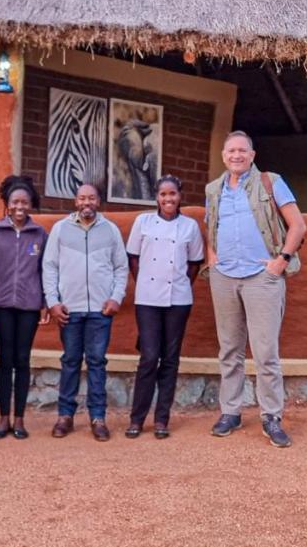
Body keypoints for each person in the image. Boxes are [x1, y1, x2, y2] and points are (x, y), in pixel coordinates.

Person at [205, 131, 307, 448]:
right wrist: (213, 259)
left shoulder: (269, 181)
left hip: (261, 277)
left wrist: (281, 261)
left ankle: (271, 416)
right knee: (229, 349)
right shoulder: (213, 189)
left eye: (242, 151)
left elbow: (298, 225)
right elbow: (211, 226)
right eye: (231, 151)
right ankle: (231, 412)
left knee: (265, 352)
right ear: (224, 155)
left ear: (252, 154)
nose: (236, 155)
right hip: (224, 276)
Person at [43, 183, 128, 442]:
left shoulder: (110, 230)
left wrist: (116, 297)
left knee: (97, 362)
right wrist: (53, 302)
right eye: (82, 198)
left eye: (91, 198)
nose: (86, 202)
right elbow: (49, 267)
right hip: (70, 309)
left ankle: (98, 417)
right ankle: (65, 416)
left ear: (98, 201)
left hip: (100, 311)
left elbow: (121, 268)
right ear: (75, 201)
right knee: (70, 361)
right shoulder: (60, 229)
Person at [124, 175, 204, 439]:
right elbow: (133, 259)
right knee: (148, 357)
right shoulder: (142, 223)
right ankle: (137, 418)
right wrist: (145, 282)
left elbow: (194, 264)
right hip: (147, 298)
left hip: (178, 300)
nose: (168, 199)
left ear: (180, 195)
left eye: (172, 194)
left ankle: (161, 419)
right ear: (156, 197)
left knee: (170, 359)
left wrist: (181, 285)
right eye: (163, 195)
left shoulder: (189, 227)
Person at [0, 175, 49, 440]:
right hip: (1, 305)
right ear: (7, 204)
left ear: (31, 204)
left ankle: (19, 419)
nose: (20, 206)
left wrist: (44, 303)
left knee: (22, 360)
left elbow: (46, 270)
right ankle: (3, 419)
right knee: (5, 361)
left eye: (25, 201)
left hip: (29, 307)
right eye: (15, 202)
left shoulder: (40, 234)